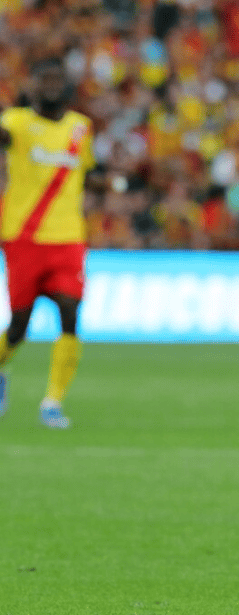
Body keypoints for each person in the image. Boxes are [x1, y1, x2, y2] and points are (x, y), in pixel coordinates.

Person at [0, 57, 102, 428]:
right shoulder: (16, 122)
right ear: (33, 86)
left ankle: (53, 402)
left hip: (68, 236)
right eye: (45, 79)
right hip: (23, 236)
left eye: (57, 79)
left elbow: (86, 172)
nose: (51, 86)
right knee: (19, 325)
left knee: (70, 312)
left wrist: (111, 183)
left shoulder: (80, 128)